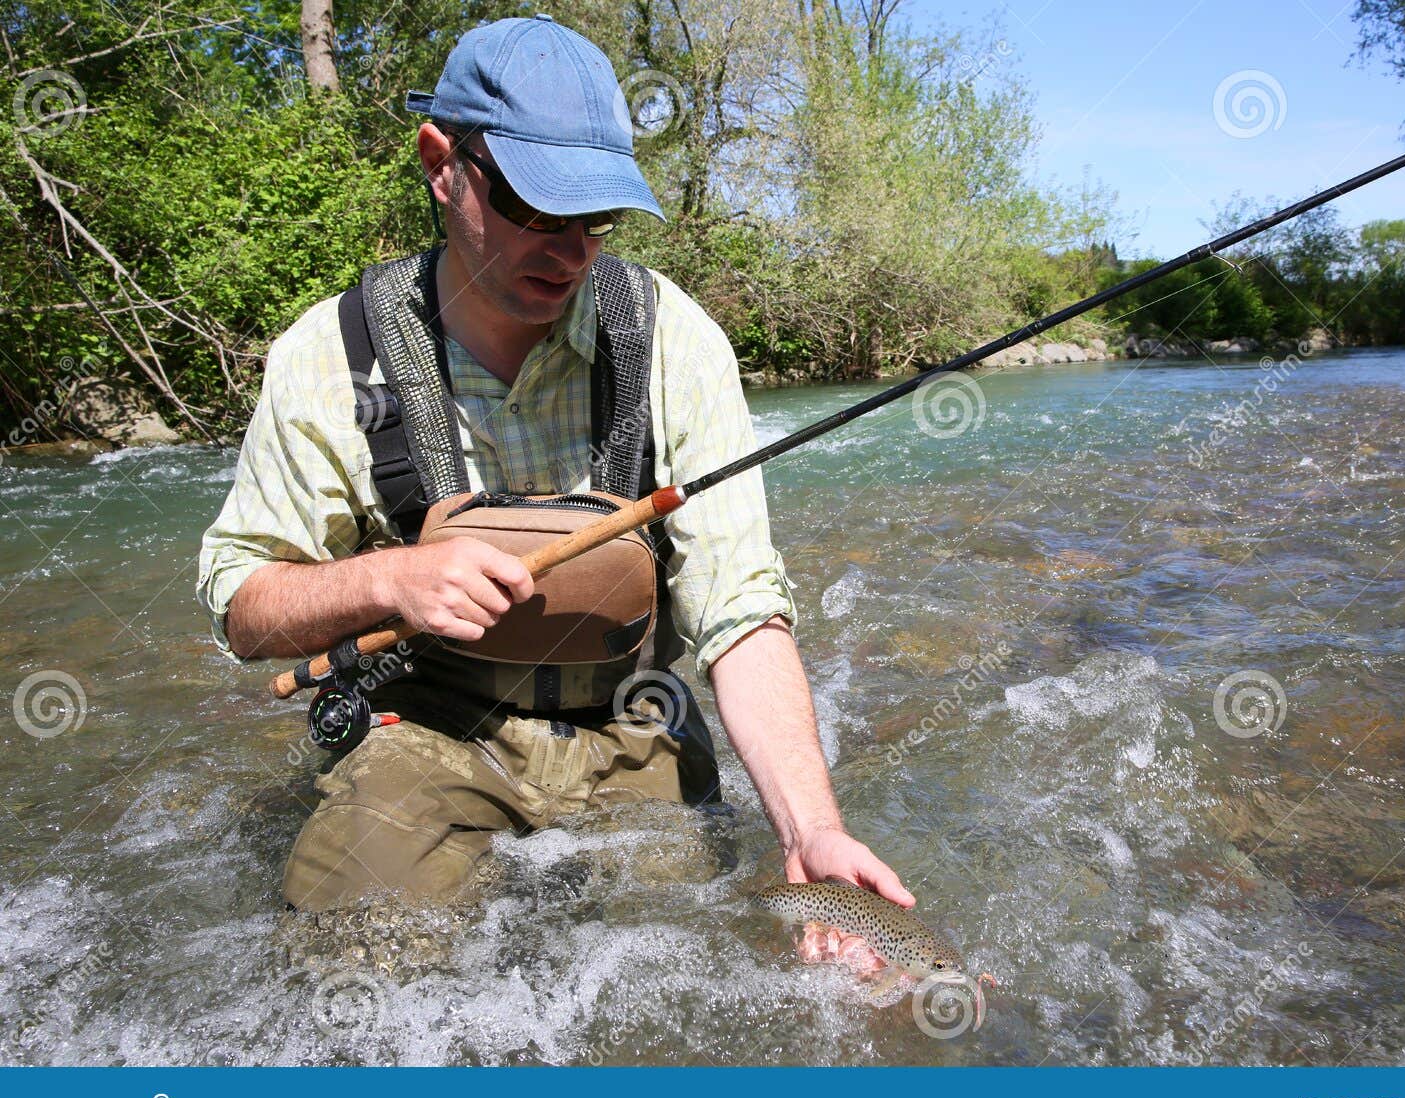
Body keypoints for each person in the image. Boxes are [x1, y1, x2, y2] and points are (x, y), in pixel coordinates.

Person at [195, 14, 911, 915]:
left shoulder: (673, 341)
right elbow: (242, 609)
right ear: (441, 163)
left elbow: (740, 611)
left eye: (598, 216)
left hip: (630, 723)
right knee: (360, 965)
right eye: (536, 207)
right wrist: (393, 580)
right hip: (424, 729)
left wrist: (811, 830)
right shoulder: (327, 357)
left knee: (679, 972)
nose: (572, 250)